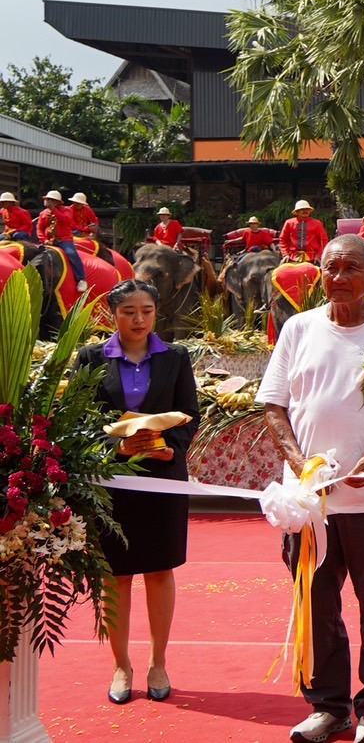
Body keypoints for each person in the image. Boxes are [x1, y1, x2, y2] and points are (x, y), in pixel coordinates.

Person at [257, 235, 364, 743]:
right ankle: (328, 707)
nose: (337, 277)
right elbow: (274, 405)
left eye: (350, 267)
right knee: (316, 605)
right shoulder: (298, 327)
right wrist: (296, 461)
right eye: (330, 267)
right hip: (310, 508)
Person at [74, 280, 199, 706]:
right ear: (112, 314)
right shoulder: (91, 358)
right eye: (129, 311)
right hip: (110, 482)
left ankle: (158, 662)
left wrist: (169, 448)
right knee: (117, 575)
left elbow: (190, 414)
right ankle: (121, 664)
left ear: (156, 313)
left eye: (146, 310)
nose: (139, 319)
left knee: (160, 570)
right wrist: (116, 447)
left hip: (162, 480)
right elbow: (79, 421)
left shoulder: (176, 357)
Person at [36, 190, 88, 292]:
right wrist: (44, 240)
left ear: (57, 202)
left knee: (72, 254)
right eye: (47, 200)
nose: (48, 202)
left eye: (51, 200)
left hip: (64, 239)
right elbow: (39, 228)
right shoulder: (43, 213)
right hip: (48, 240)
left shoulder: (66, 211)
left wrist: (54, 210)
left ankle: (81, 279)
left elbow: (66, 220)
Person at [280, 200, 328, 264]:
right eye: (302, 209)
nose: (305, 211)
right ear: (297, 212)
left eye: (307, 209)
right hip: (293, 257)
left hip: (313, 258)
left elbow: (323, 241)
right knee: (281, 272)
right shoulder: (289, 223)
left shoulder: (317, 223)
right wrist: (285, 254)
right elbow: (283, 239)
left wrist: (319, 256)